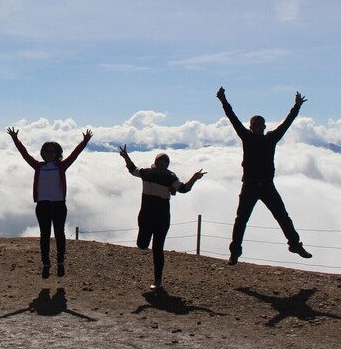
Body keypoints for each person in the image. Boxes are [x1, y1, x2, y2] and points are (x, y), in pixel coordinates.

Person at [217, 87, 312, 265]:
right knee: (241, 220)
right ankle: (234, 253)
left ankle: (295, 245)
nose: (257, 128)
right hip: (251, 185)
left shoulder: (271, 138)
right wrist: (223, 101)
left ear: (263, 127)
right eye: (255, 126)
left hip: (267, 185)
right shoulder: (247, 136)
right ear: (251, 127)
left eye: (259, 126)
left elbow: (287, 123)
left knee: (282, 216)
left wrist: (296, 107)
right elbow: (233, 119)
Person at [7, 127, 92, 279]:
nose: (49, 153)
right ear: (43, 153)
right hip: (43, 205)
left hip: (59, 205)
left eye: (52, 151)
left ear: (57, 153)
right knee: (44, 235)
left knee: (59, 234)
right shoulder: (39, 166)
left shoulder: (61, 166)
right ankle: (46, 264)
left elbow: (75, 154)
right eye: (47, 151)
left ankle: (60, 263)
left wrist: (85, 141)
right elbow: (24, 154)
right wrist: (15, 139)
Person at [119, 146, 206, 289]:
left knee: (157, 249)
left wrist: (194, 178)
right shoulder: (146, 173)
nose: (161, 166)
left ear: (167, 166)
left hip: (162, 218)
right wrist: (125, 157)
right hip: (145, 216)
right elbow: (132, 170)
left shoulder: (170, 177)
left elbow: (183, 189)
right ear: (155, 162)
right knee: (142, 244)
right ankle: (157, 278)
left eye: (164, 164)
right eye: (160, 163)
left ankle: (157, 280)